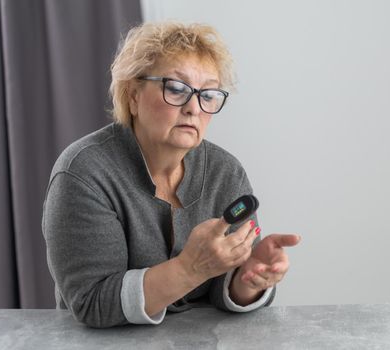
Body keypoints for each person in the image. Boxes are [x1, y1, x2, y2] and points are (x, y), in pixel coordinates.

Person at [42, 21, 301, 328]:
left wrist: (248, 279)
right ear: (133, 95)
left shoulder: (226, 172)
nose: (194, 107)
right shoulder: (84, 172)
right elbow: (93, 302)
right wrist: (190, 269)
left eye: (208, 94)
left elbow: (224, 288)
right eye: (176, 89)